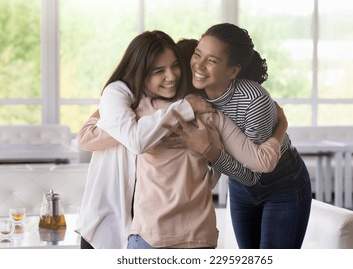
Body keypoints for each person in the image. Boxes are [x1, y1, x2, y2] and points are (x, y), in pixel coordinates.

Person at [76, 33, 288, 249]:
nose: (171, 76)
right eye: (159, 71)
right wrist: (281, 127)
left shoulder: (141, 111)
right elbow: (249, 167)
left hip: (148, 234)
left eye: (175, 66)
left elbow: (87, 136)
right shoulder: (132, 106)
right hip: (183, 233)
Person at [169, 23, 312, 249]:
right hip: (238, 185)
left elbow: (254, 175)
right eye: (198, 54)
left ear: (233, 71)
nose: (199, 65)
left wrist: (209, 151)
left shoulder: (253, 101)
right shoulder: (193, 91)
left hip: (281, 182)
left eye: (212, 61)